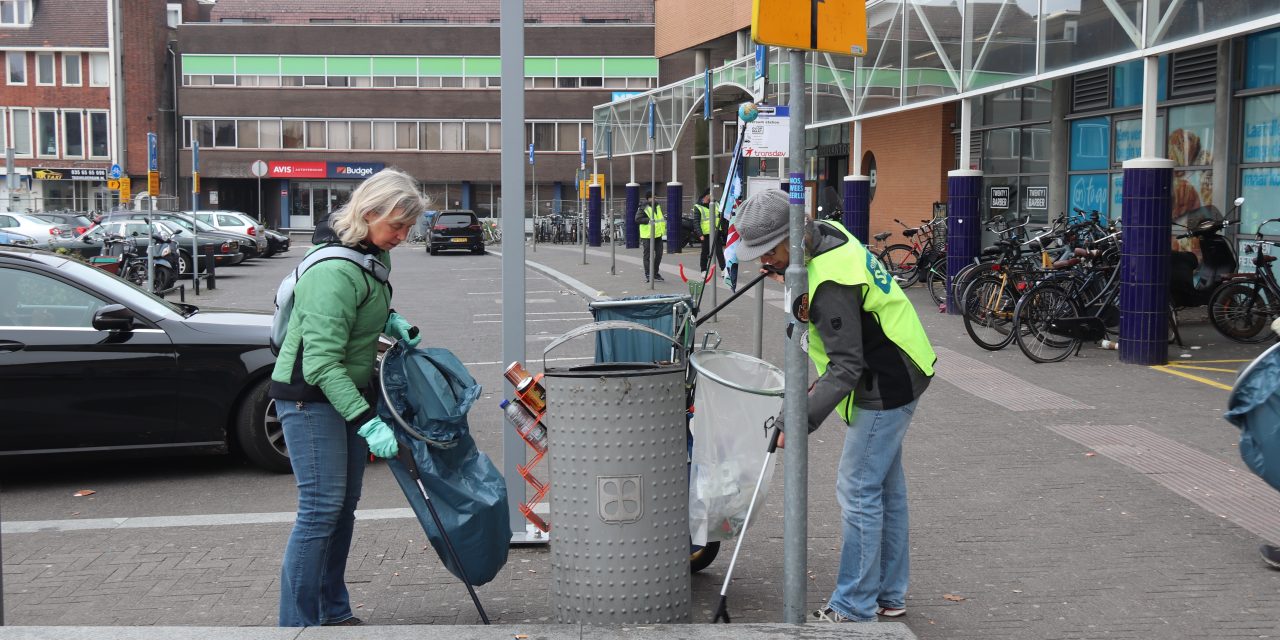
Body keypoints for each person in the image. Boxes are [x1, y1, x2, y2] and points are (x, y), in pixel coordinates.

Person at [733, 188, 936, 623]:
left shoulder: (829, 284)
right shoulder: (828, 234)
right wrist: (788, 272)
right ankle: (889, 594)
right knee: (885, 490)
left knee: (857, 488)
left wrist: (797, 420)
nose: (764, 261)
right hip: (905, 364)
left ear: (793, 236)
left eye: (769, 251)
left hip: (887, 384)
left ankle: (854, 606)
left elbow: (846, 366)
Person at [270, 168, 427, 627]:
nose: (402, 236)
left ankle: (332, 614)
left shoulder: (370, 253)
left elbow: (358, 306)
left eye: (408, 227)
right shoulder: (334, 270)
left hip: (347, 391)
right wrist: (366, 421)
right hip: (309, 397)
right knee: (320, 510)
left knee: (341, 510)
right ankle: (297, 626)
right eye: (397, 225)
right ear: (369, 213)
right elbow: (320, 363)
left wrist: (390, 320)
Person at [635, 191, 666, 282]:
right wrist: (648, 220)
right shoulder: (643, 207)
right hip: (647, 235)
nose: (655, 199)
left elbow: (659, 219)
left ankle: (655, 273)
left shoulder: (657, 206)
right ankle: (648, 274)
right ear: (648, 198)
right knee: (647, 255)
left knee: (659, 254)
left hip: (658, 234)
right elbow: (637, 219)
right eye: (653, 197)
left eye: (656, 197)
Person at [695, 188, 726, 274]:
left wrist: (722, 230)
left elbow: (721, 217)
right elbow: (696, 222)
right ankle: (703, 270)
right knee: (705, 252)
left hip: (716, 232)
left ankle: (723, 269)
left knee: (719, 252)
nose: (712, 196)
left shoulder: (716, 204)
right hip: (705, 234)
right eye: (711, 195)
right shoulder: (698, 206)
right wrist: (700, 234)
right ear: (706, 196)